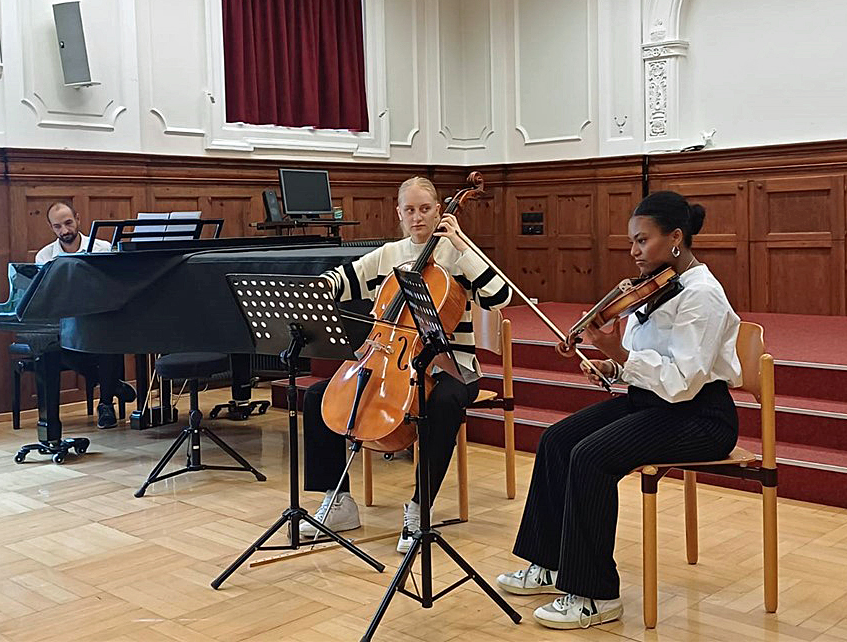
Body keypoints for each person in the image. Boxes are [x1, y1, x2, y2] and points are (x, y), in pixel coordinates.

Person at [496, 190, 741, 630]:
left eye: (642, 241)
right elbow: (650, 363)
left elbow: (683, 383)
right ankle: (549, 565)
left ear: (675, 238)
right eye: (632, 242)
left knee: (591, 457)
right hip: (653, 404)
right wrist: (613, 366)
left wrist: (621, 355)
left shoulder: (703, 295)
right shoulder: (657, 286)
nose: (633, 252)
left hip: (701, 418)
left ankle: (596, 595)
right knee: (556, 440)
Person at [300, 177, 511, 552]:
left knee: (444, 403)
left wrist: (461, 243)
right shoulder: (389, 255)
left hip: (453, 367)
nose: (418, 217)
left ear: (439, 211)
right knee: (318, 397)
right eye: (410, 210)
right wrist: (317, 289)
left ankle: (419, 507)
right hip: (392, 360)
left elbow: (500, 296)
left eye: (425, 209)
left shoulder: (458, 254)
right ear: (399, 213)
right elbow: (342, 279)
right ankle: (338, 500)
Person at [34, 201, 136, 428]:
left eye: (68, 223)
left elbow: (114, 284)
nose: (65, 230)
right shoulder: (44, 256)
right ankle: (113, 384)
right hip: (66, 322)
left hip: (100, 318)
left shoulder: (101, 248)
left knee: (106, 341)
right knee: (55, 347)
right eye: (58, 226)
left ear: (78, 219)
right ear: (51, 227)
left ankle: (106, 405)